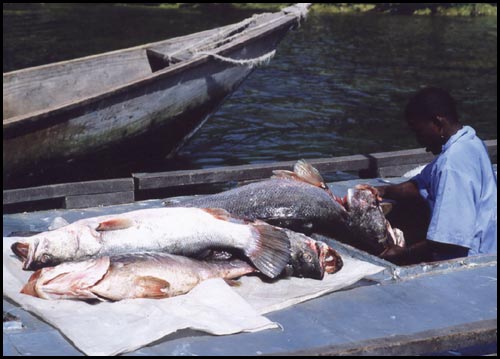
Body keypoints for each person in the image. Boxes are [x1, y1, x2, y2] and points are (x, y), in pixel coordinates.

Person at [361, 87, 497, 264]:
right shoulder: (470, 141)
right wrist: (382, 191)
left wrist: (404, 254)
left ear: (438, 123)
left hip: (472, 263)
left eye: (419, 132)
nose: (421, 143)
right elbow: (419, 185)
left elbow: (449, 241)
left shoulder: (453, 163)